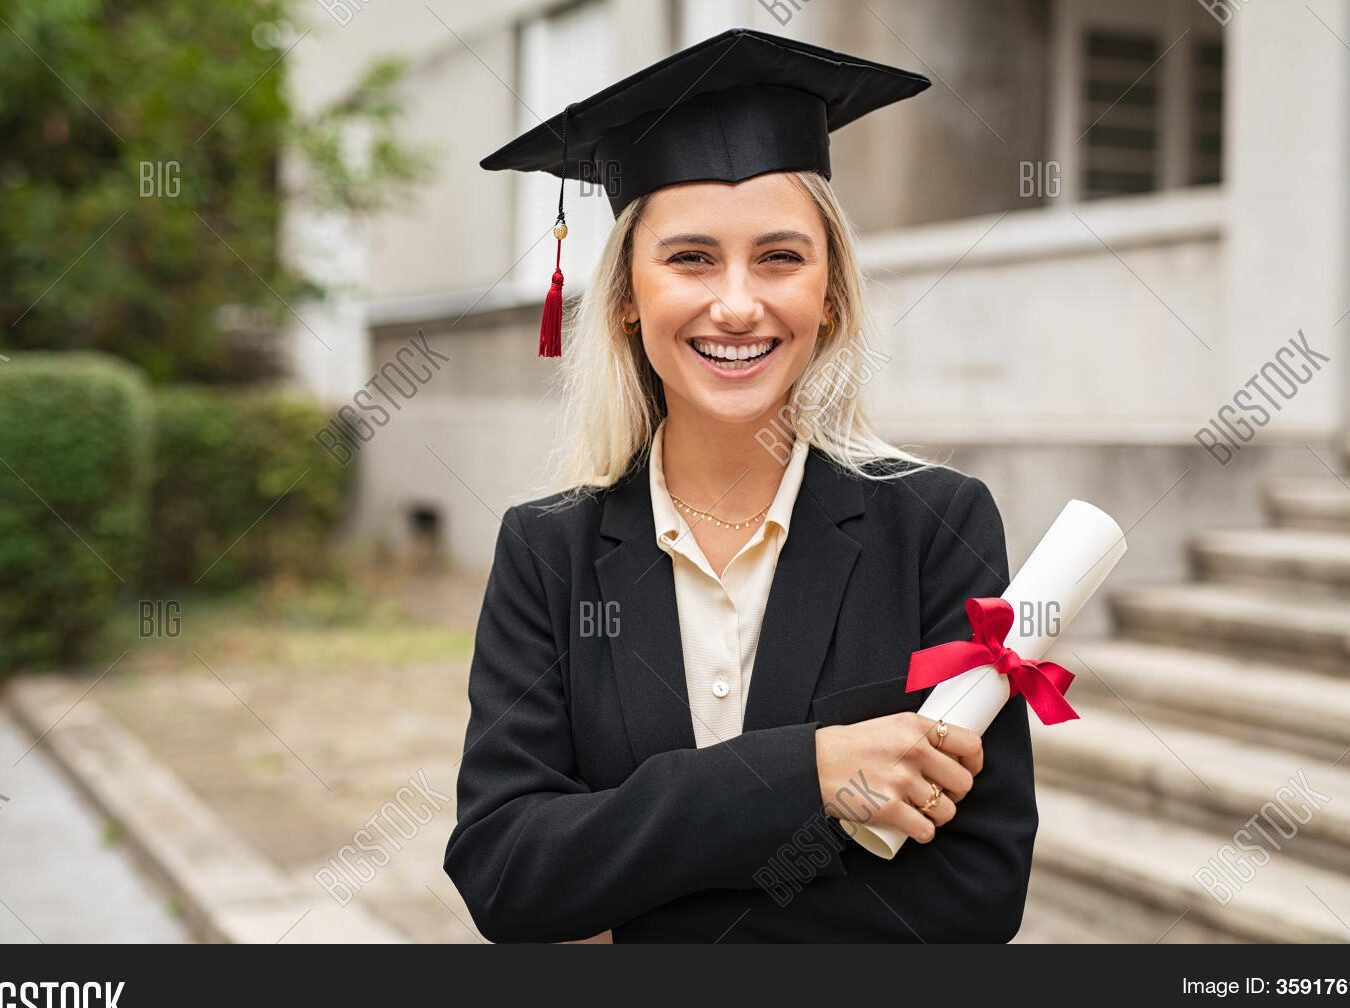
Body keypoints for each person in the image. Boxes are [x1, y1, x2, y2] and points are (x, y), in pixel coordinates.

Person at [443, 27, 1037, 943]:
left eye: (779, 257)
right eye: (689, 258)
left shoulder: (936, 527)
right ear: (626, 296)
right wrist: (808, 773)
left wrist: (641, 883)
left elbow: (975, 893)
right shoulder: (550, 551)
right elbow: (507, 870)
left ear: (829, 292)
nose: (736, 304)